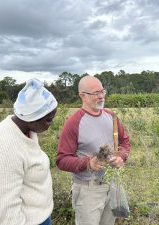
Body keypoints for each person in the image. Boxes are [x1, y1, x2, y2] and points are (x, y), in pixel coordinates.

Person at [0, 78, 58, 225]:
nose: (51, 123)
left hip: (36, 217)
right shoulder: (5, 147)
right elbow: (4, 210)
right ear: (32, 118)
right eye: (48, 120)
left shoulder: (25, 131)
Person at [56, 75, 131, 225]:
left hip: (112, 184)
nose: (101, 96)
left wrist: (121, 156)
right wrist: (88, 163)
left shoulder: (112, 116)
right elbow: (61, 160)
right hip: (88, 189)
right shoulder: (73, 122)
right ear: (82, 96)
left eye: (102, 91)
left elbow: (125, 142)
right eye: (95, 93)